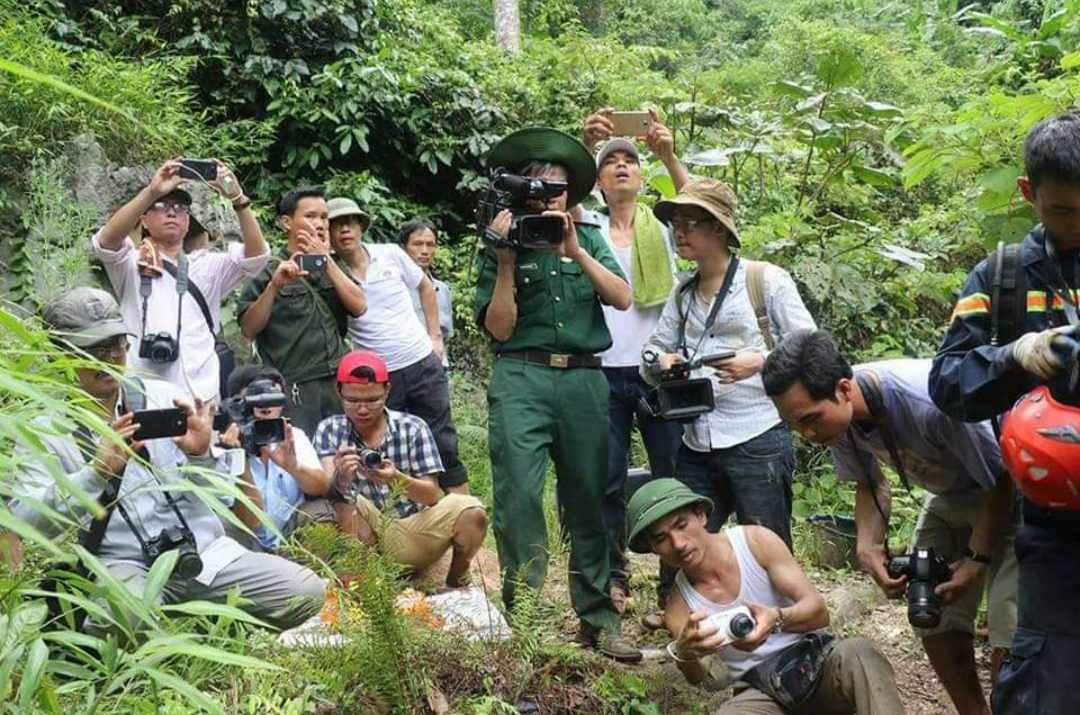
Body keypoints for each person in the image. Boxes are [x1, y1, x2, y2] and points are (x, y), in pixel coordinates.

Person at [10, 287, 325, 631]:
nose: (111, 357)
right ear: (61, 354)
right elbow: (28, 522)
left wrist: (201, 454)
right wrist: (95, 473)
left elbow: (222, 497)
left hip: (201, 551)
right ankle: (186, 624)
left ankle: (189, 619)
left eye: (117, 344)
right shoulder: (43, 429)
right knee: (124, 619)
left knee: (306, 592)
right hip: (122, 562)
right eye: (95, 348)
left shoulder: (162, 396)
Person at [762, 329, 1017, 715]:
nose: (807, 434)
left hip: (1012, 497)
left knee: (1010, 631)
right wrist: (868, 548)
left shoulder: (931, 403)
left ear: (844, 389)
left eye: (811, 420)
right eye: (795, 424)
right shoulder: (840, 422)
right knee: (930, 610)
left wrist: (976, 560)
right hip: (953, 493)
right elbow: (870, 484)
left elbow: (1001, 481)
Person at [928, 111, 1080, 715]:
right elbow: (948, 383)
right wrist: (1016, 356)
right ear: (1028, 194)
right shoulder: (1004, 277)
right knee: (1046, 686)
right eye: (1064, 211)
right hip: (1050, 524)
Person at [474, 126, 639, 661]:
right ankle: (524, 617)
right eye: (540, 189)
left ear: (572, 196)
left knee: (589, 495)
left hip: (585, 379)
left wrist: (575, 248)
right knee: (519, 498)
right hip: (521, 374)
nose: (550, 199)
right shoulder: (500, 241)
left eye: (560, 190)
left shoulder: (588, 236)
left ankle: (597, 616)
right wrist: (504, 261)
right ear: (524, 192)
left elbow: (621, 296)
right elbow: (499, 329)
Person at [640, 177, 816, 612]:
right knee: (684, 539)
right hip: (697, 437)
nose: (680, 232)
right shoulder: (681, 295)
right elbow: (651, 355)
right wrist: (660, 363)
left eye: (691, 223)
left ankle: (788, 618)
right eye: (675, 223)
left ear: (718, 229)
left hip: (758, 432)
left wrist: (759, 361)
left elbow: (811, 346)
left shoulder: (764, 280)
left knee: (768, 536)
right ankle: (684, 622)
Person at [626, 478, 904, 715]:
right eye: (661, 538)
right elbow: (704, 681)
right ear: (653, 548)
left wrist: (776, 619)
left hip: (817, 664)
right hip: (761, 692)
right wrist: (684, 653)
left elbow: (819, 612)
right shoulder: (679, 607)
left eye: (681, 524)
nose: (678, 543)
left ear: (701, 515)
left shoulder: (754, 542)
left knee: (859, 652)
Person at [579, 108, 690, 613]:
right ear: (599, 181)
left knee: (672, 476)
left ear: (642, 177)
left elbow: (696, 207)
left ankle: (674, 584)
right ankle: (613, 577)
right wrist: (585, 146)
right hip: (602, 370)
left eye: (630, 159)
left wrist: (667, 152)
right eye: (610, 161)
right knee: (606, 479)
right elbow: (560, 198)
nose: (621, 165)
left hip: (657, 371)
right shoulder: (587, 227)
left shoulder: (663, 227)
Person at [90, 159, 269, 401]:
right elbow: (105, 241)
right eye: (161, 206)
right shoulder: (130, 263)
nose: (172, 212)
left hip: (199, 392)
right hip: (142, 392)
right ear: (143, 220)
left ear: (187, 222)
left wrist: (238, 198)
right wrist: (152, 191)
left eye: (181, 208)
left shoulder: (208, 266)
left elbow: (256, 257)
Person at [312, 350, 487, 588]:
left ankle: (457, 581)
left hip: (413, 526)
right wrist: (341, 477)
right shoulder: (329, 430)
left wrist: (396, 478)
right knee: (345, 500)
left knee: (471, 510)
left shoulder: (413, 427)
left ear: (387, 391)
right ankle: (368, 586)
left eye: (372, 400)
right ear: (339, 392)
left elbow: (432, 495)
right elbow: (327, 495)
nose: (362, 410)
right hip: (362, 527)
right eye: (352, 401)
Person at [328, 200, 468, 495]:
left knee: (443, 440)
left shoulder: (390, 254)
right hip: (379, 378)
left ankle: (462, 515)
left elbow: (425, 286)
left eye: (351, 222)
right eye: (336, 224)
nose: (344, 230)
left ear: (361, 227)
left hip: (421, 362)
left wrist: (435, 337)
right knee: (394, 448)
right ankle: (413, 524)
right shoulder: (330, 272)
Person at [236, 186, 367, 436]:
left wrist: (325, 261)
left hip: (339, 382)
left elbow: (359, 306)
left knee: (345, 454)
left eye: (324, 217)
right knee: (302, 457)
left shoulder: (334, 265)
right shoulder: (270, 268)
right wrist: (274, 286)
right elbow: (248, 329)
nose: (319, 223)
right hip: (295, 386)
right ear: (287, 222)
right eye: (310, 216)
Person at [222, 365, 334, 551]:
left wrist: (294, 467)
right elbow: (250, 522)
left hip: (289, 540)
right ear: (236, 404)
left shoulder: (293, 436)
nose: (265, 407)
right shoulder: (222, 447)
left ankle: (311, 574)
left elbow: (322, 487)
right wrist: (240, 460)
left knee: (321, 510)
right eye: (255, 398)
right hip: (246, 545)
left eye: (272, 398)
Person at [400, 219, 454, 369]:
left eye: (430, 245)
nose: (424, 251)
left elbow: (445, 335)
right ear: (404, 248)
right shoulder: (394, 288)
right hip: (403, 368)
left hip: (437, 369)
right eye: (417, 244)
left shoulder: (442, 290)